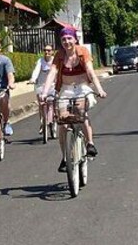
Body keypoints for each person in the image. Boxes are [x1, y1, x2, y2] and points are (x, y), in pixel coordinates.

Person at [40, 27, 107, 173]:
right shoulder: (59, 55)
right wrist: (45, 92)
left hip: (83, 88)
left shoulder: (82, 51)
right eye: (63, 39)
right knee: (63, 124)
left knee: (80, 112)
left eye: (69, 38)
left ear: (75, 39)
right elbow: (52, 73)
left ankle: (89, 144)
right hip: (66, 89)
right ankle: (65, 158)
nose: (66, 41)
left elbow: (90, 71)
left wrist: (99, 89)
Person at [29, 44, 56, 135]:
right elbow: (36, 71)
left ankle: (51, 120)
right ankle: (43, 123)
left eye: (49, 50)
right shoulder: (40, 61)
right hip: (40, 86)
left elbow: (57, 72)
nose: (46, 52)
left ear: (52, 51)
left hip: (52, 86)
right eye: (45, 50)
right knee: (41, 105)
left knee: (51, 103)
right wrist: (33, 79)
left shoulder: (54, 61)